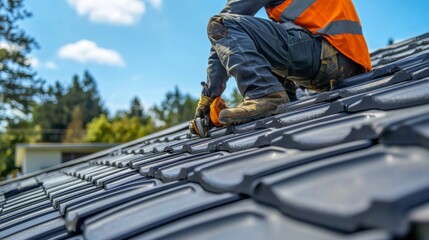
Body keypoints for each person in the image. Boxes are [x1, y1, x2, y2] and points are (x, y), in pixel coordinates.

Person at [194, 0, 371, 126]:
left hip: (325, 52)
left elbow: (222, 27)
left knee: (219, 23)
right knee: (265, 37)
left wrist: (210, 95)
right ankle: (284, 98)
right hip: (352, 64)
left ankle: (264, 94)